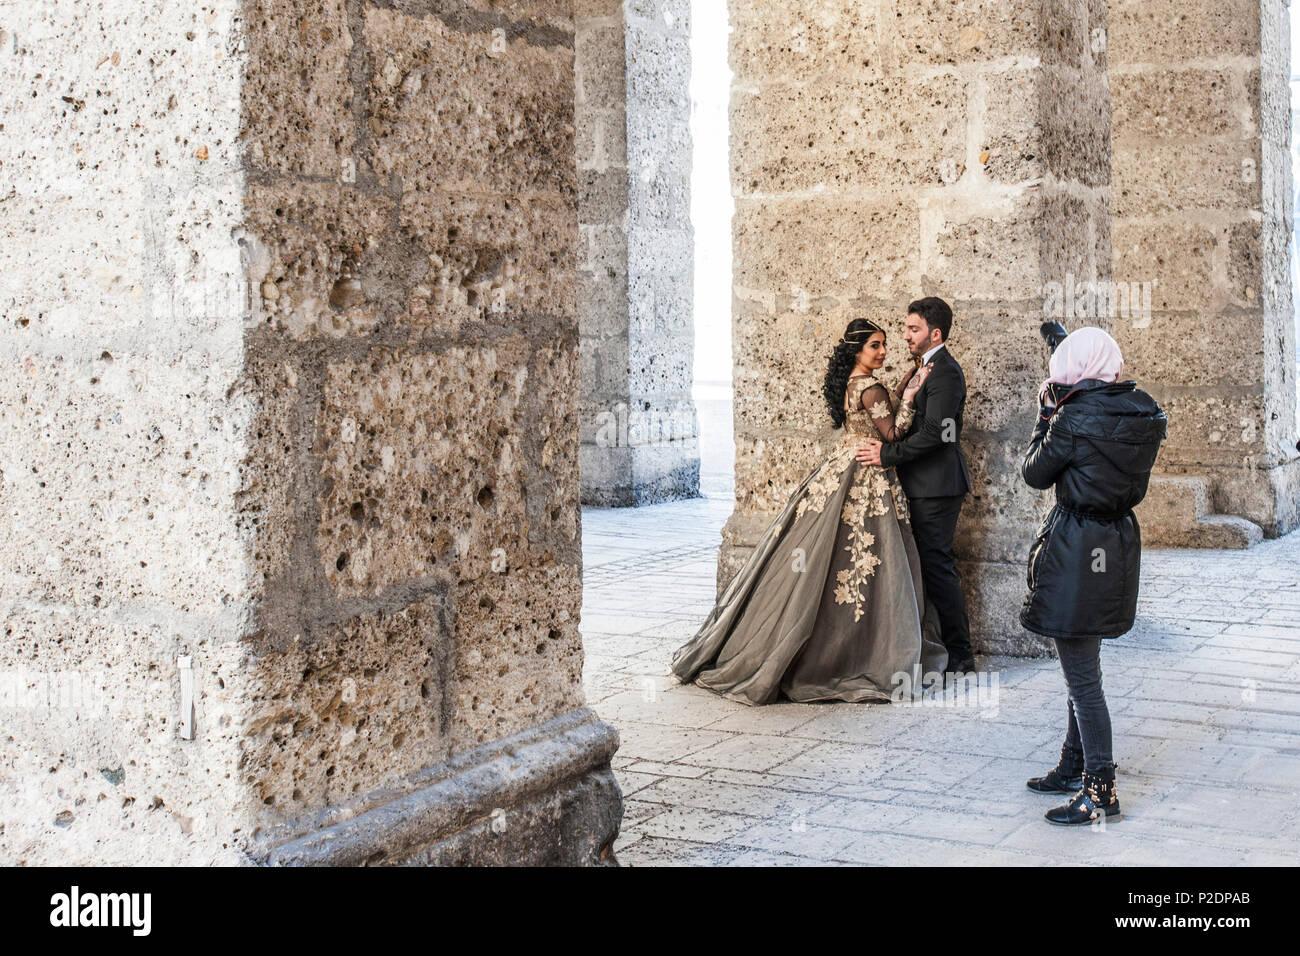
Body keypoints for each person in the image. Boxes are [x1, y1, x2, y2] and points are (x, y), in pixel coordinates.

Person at [670, 318, 948, 705]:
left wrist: (900, 387)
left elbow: (869, 416)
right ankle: (866, 650)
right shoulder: (871, 388)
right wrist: (914, 396)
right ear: (857, 351)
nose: (883, 351)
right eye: (875, 346)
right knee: (869, 560)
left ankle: (802, 644)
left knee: (829, 557)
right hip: (867, 474)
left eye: (884, 344)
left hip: (840, 466)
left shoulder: (853, 382)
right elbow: (894, 435)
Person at [1019, 326, 1167, 826]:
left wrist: (1046, 415)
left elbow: (1034, 473)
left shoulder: (1073, 417)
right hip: (1117, 541)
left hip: (1077, 544)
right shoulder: (1143, 410)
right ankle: (1073, 763)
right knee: (1082, 661)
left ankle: (1099, 789)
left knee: (1083, 678)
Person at [855, 297, 975, 673]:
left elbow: (937, 434)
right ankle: (926, 645)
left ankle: (960, 655)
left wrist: (887, 457)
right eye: (906, 328)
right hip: (918, 484)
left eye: (913, 329)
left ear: (934, 333)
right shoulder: (921, 368)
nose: (905, 335)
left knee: (937, 566)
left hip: (937, 487)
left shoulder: (946, 373)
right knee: (921, 566)